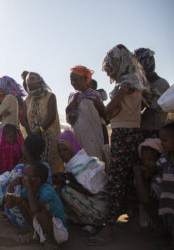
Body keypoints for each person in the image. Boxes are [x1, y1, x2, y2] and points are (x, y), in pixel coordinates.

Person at [88, 44, 148, 245]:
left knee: (116, 179)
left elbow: (109, 111)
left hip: (124, 134)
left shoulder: (127, 83)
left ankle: (109, 228)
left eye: (110, 67)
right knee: (128, 176)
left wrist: (113, 103)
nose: (109, 72)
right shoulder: (135, 80)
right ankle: (137, 223)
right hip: (132, 132)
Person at [54, 130, 109, 236]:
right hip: (94, 203)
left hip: (102, 205)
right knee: (59, 191)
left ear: (72, 147)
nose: (61, 154)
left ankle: (95, 222)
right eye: (59, 150)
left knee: (66, 191)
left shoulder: (82, 163)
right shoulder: (71, 163)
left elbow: (90, 192)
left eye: (65, 149)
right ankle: (84, 219)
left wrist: (66, 181)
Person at [0, 134, 52, 227]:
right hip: (41, 213)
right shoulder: (47, 167)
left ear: (25, 149)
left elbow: (11, 188)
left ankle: (5, 208)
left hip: (21, 218)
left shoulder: (21, 168)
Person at [7, 163, 68, 248]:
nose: (22, 177)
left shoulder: (47, 190)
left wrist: (29, 190)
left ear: (37, 180)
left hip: (58, 232)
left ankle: (52, 242)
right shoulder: (27, 190)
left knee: (40, 210)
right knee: (22, 202)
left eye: (26, 175)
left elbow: (35, 209)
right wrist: (11, 187)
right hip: (42, 227)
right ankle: (34, 234)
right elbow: (9, 205)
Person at [66, 65, 108, 163]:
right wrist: (72, 105)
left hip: (93, 137)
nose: (73, 82)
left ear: (84, 79)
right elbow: (68, 114)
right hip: (78, 135)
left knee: (94, 162)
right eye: (71, 80)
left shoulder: (94, 95)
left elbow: (104, 114)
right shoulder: (72, 97)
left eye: (75, 79)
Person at [24, 72, 63, 173]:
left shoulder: (50, 97)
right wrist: (30, 135)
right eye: (30, 89)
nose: (32, 91)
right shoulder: (28, 100)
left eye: (34, 88)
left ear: (40, 83)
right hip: (33, 142)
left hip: (50, 139)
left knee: (50, 168)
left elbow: (51, 116)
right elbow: (24, 119)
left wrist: (39, 130)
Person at [134, 48, 171, 138]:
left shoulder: (162, 84)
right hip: (143, 130)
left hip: (156, 131)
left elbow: (151, 110)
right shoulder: (142, 85)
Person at [133, 138, 164, 230]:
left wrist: (138, 174)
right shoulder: (146, 174)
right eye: (143, 160)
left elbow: (146, 200)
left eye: (150, 159)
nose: (146, 163)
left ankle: (161, 228)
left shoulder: (164, 174)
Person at [157, 122, 174, 249]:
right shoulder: (163, 159)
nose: (161, 143)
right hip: (168, 202)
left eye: (165, 140)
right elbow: (157, 175)